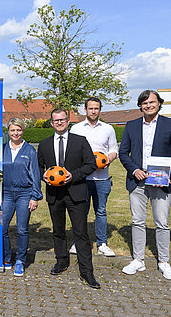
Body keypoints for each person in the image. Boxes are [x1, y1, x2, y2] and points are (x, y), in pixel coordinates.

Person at [119, 90, 171, 280]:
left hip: (161, 182)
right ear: (140, 106)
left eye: (152, 102)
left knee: (162, 223)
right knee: (138, 221)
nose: (148, 106)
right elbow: (124, 153)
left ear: (159, 103)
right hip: (137, 181)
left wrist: (167, 174)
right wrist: (134, 170)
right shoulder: (131, 126)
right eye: (144, 103)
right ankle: (138, 259)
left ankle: (164, 261)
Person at [37, 108, 100, 289]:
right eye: (56, 120)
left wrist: (73, 175)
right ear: (51, 123)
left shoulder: (80, 141)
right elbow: (39, 167)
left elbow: (91, 164)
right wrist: (44, 176)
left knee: (80, 232)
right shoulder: (44, 143)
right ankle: (61, 260)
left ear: (68, 120)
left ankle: (87, 271)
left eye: (62, 120)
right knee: (58, 230)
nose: (59, 123)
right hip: (54, 194)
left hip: (76, 192)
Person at [69, 97, 118, 257]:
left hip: (102, 178)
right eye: (90, 108)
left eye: (96, 108)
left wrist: (106, 160)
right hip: (82, 178)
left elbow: (114, 150)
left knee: (101, 211)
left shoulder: (108, 129)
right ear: (85, 110)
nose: (93, 111)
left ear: (100, 110)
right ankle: (78, 242)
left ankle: (102, 243)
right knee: (81, 212)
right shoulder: (76, 129)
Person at [2, 118, 42, 277]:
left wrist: (35, 196)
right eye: (12, 130)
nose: (15, 133)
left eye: (18, 130)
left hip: (25, 193)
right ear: (8, 131)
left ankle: (20, 261)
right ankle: (6, 259)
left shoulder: (30, 150)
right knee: (2, 228)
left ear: (23, 131)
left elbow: (36, 175)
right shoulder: (2, 149)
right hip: (6, 193)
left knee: (22, 229)